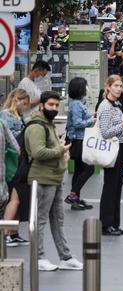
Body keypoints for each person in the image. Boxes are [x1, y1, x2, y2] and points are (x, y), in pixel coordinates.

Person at [24, 91, 83, 271]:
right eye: (51, 105)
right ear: (42, 105)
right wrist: (60, 150)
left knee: (58, 219)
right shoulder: (36, 126)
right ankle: (39, 257)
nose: (54, 108)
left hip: (54, 178)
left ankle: (65, 256)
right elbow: (38, 152)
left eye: (57, 105)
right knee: (40, 219)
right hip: (42, 178)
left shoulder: (47, 124)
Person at [96, 75, 123, 236]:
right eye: (115, 85)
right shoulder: (106, 107)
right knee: (110, 186)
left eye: (121, 86)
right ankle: (106, 224)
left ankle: (114, 223)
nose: (119, 89)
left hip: (120, 147)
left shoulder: (117, 104)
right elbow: (105, 132)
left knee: (116, 188)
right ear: (107, 87)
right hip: (112, 149)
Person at [0, 89, 30, 246]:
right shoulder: (6, 116)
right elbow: (10, 138)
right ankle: (7, 232)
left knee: (16, 198)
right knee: (13, 198)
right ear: (17, 100)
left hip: (19, 161)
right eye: (24, 103)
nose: (25, 107)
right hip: (11, 161)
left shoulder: (19, 116)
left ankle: (13, 232)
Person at [65, 78, 95, 210]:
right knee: (89, 168)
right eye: (85, 86)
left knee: (78, 170)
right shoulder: (76, 104)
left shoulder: (78, 103)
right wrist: (91, 120)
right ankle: (72, 195)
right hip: (78, 140)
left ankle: (75, 198)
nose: (87, 88)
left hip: (78, 139)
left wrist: (91, 117)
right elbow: (77, 123)